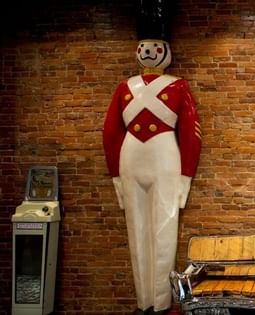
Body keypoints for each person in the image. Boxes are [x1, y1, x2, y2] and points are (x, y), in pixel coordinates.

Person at [102, 1, 201, 313]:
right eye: (145, 46)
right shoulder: (124, 88)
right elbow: (111, 132)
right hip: (130, 159)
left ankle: (161, 302)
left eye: (155, 46)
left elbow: (190, 133)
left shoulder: (178, 86)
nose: (149, 51)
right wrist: (115, 176)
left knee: (164, 227)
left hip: (164, 157)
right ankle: (142, 301)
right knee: (136, 229)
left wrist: (186, 176)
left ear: (166, 50)